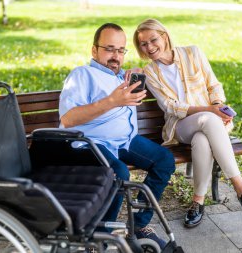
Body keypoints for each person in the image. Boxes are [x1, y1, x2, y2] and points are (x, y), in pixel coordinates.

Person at [133, 18, 242, 228]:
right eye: (143, 44)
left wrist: (218, 105)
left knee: (202, 140)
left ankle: (198, 201)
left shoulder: (193, 53)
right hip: (180, 126)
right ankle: (241, 188)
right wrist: (210, 111)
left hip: (208, 123)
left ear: (165, 36)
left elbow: (213, 85)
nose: (149, 47)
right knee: (208, 120)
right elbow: (170, 106)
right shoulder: (150, 72)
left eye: (153, 40)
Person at [59, 23, 175, 249]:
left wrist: (137, 74)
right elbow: (68, 119)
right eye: (110, 49)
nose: (116, 56)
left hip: (124, 141)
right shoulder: (82, 75)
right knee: (118, 172)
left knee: (164, 160)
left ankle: (139, 225)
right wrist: (112, 101)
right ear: (94, 50)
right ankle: (100, 235)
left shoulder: (123, 76)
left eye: (121, 50)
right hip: (89, 143)